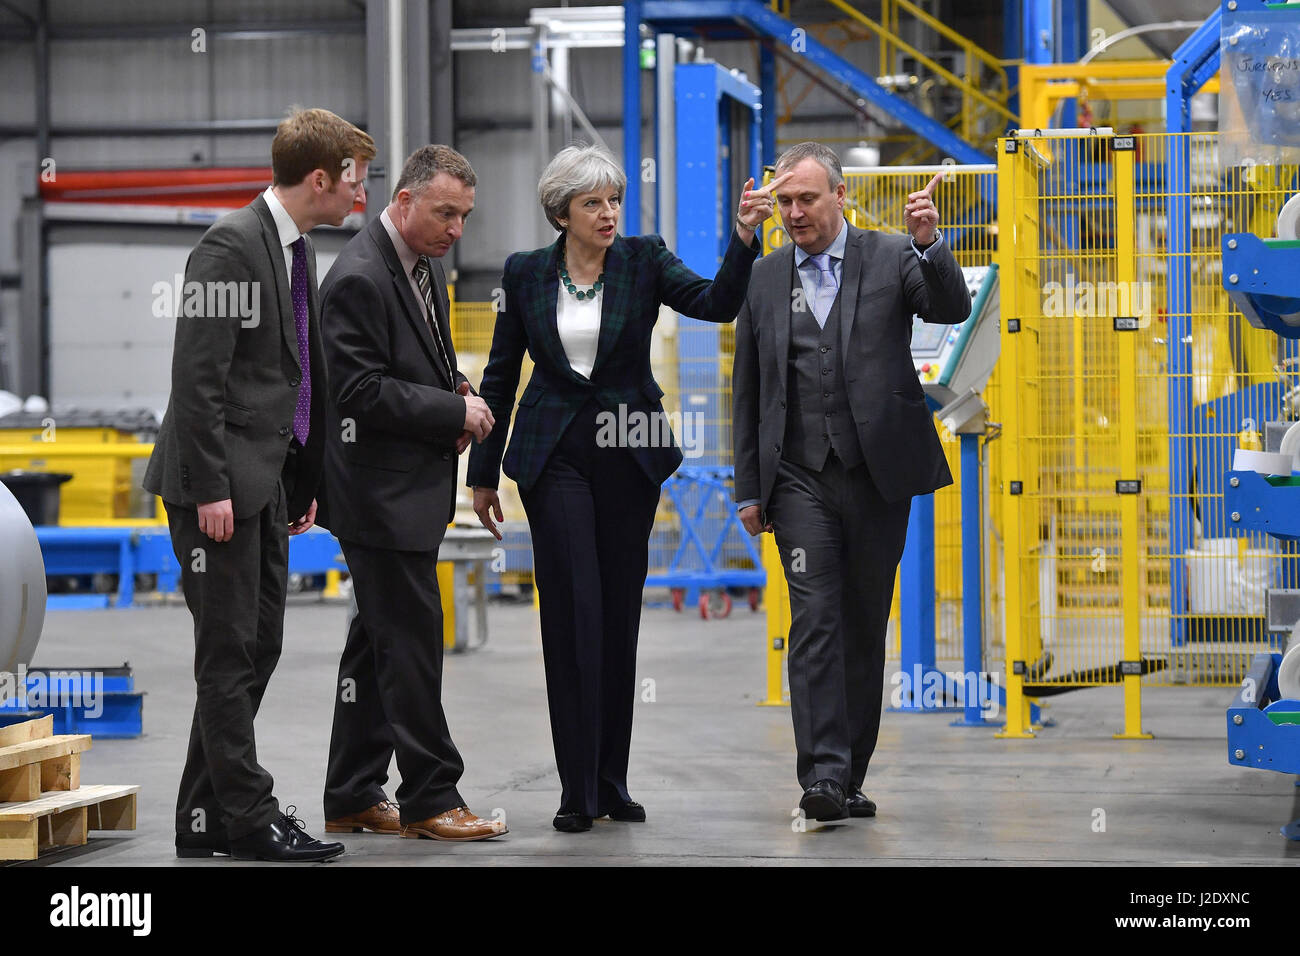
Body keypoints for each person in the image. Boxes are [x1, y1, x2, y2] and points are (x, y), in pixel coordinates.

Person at [469, 143, 783, 832]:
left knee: (616, 618)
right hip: (553, 457)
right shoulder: (523, 275)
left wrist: (742, 237)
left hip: (627, 455)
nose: (608, 213)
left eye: (613, 200)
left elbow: (717, 302)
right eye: (593, 203)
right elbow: (498, 375)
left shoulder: (644, 259)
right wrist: (482, 473)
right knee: (571, 613)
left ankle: (612, 781)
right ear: (562, 213)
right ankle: (575, 790)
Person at [144, 107, 374, 861]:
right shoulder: (229, 246)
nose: (361, 199)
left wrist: (302, 479)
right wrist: (212, 486)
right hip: (214, 489)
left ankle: (201, 819)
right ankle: (249, 814)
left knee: (258, 646)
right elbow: (197, 377)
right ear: (319, 180)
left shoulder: (293, 248)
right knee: (228, 652)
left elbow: (295, 373)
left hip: (264, 484)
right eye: (356, 183)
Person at [731, 142, 971, 823]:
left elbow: (948, 309)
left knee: (864, 624)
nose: (794, 212)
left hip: (877, 475)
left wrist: (930, 243)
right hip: (798, 476)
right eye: (784, 202)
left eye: (807, 198)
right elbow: (746, 387)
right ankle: (823, 776)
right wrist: (749, 486)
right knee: (815, 618)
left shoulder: (894, 253)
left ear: (840, 195)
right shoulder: (764, 276)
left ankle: (851, 775)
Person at [316, 145, 503, 842]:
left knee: (377, 644)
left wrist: (454, 388)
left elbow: (420, 362)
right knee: (415, 645)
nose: (456, 228)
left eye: (464, 216)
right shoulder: (361, 277)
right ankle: (431, 797)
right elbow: (358, 391)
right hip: (378, 500)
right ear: (403, 201)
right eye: (444, 212)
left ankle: (351, 791)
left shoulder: (422, 266)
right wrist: (453, 416)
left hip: (405, 493)